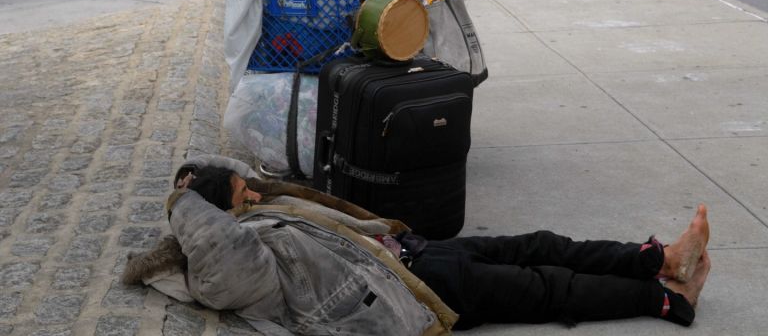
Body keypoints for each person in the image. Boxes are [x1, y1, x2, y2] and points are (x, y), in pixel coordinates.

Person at [124, 155, 710, 335]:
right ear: (218, 213)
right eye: (241, 194)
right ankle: (665, 300)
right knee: (545, 288)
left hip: (418, 257)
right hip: (415, 294)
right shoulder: (235, 257)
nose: (253, 194)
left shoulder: (262, 211)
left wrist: (216, 186)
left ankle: (658, 259)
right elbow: (227, 267)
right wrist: (183, 204)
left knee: (539, 243)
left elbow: (274, 193)